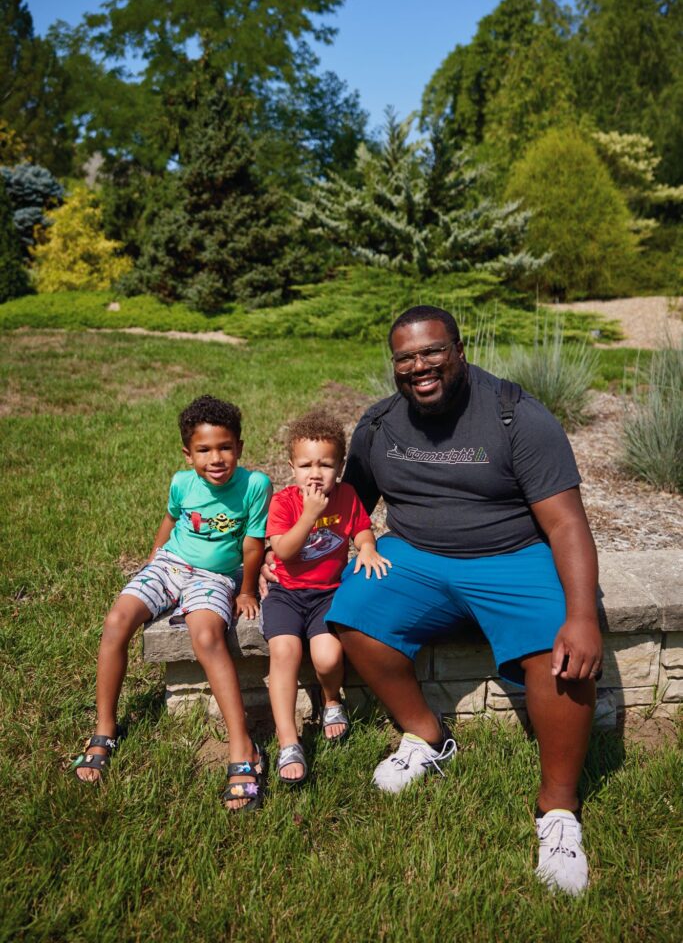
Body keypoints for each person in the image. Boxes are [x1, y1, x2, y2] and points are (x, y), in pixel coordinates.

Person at [264, 305, 602, 894]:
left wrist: (580, 615)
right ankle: (427, 735)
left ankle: (559, 812)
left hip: (512, 555)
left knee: (563, 654)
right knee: (354, 615)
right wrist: (280, 560)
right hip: (416, 554)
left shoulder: (517, 416)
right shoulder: (380, 426)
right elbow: (344, 506)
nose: (419, 366)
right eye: (405, 358)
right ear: (393, 365)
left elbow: (568, 524)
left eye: (432, 351)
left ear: (459, 349)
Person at [73, 394, 272, 813]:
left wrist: (247, 589)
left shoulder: (254, 486)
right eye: (204, 450)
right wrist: (155, 554)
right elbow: (171, 517)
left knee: (206, 635)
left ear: (239, 446)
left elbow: (252, 546)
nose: (215, 458)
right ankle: (105, 727)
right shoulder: (182, 482)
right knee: (116, 621)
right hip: (171, 564)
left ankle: (243, 747)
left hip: (216, 576)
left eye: (225, 447)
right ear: (188, 453)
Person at [263, 411, 390, 784]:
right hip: (286, 595)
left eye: (325, 464)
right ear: (292, 467)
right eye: (305, 465)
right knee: (284, 654)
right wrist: (310, 514)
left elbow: (362, 529)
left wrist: (366, 547)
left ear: (341, 466)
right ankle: (288, 740)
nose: (315, 473)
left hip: (326, 595)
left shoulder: (348, 496)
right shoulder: (285, 503)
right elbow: (284, 552)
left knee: (328, 655)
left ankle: (331, 699)